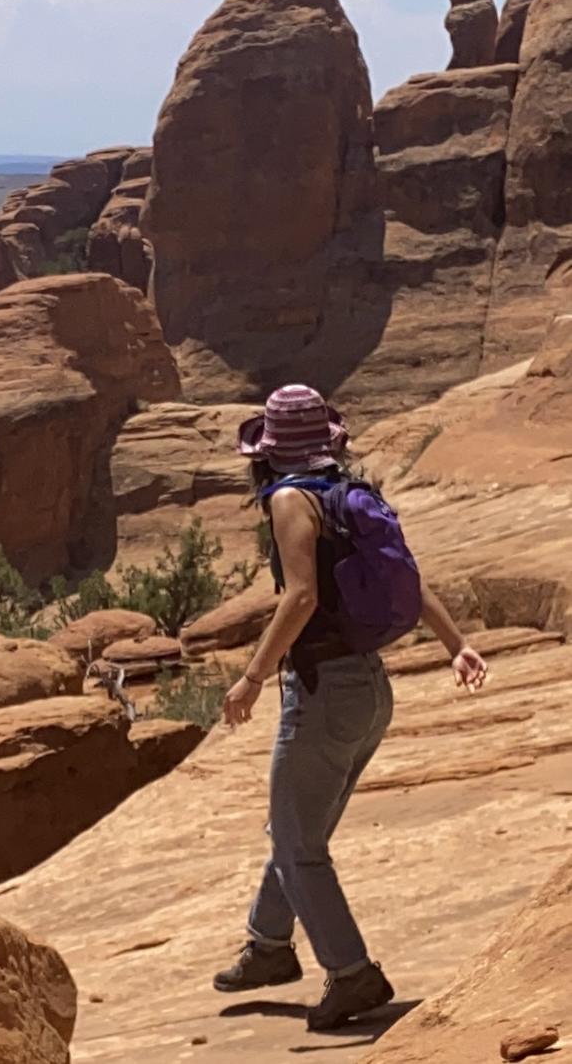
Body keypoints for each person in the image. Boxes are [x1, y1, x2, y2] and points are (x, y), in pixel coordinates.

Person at [214, 383, 486, 1032]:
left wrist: (252, 677)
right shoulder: (351, 494)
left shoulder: (288, 498)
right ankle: (269, 945)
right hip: (369, 690)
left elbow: (301, 595)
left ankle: (352, 971)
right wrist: (458, 645)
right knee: (296, 825)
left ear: (268, 451)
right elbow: (408, 582)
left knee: (297, 840)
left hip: (325, 692)